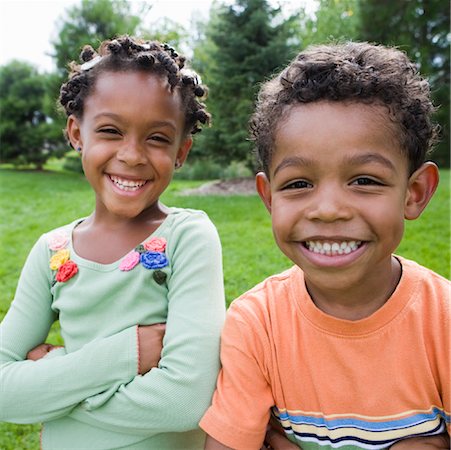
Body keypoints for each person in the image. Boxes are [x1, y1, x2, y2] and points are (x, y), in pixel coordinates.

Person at [199, 42, 450, 450]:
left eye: (364, 180)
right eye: (299, 184)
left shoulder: (443, 324)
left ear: (415, 192)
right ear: (269, 197)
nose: (329, 210)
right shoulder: (255, 324)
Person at [0, 35, 226, 449]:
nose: (133, 155)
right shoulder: (53, 253)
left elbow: (184, 400)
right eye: (110, 131)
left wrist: (53, 382)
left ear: (182, 150)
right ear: (76, 133)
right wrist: (127, 355)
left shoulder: (188, 238)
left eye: (157, 138)